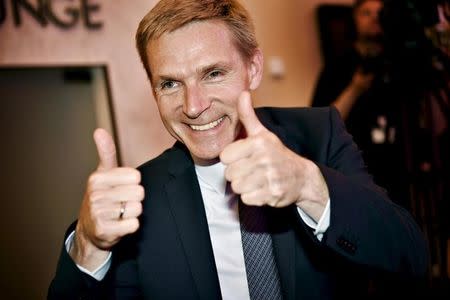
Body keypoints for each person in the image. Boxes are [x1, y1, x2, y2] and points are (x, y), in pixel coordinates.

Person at [48, 0, 428, 299]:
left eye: (213, 74)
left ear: (254, 68)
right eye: (169, 84)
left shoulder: (317, 135)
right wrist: (89, 245)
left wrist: (309, 186)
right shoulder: (140, 198)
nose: (193, 105)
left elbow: (409, 255)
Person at [311, 0, 410, 210]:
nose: (374, 18)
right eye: (367, 13)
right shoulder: (337, 66)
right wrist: (355, 88)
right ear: (354, 19)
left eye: (380, 13)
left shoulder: (400, 63)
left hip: (399, 169)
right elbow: (321, 124)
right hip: (356, 169)